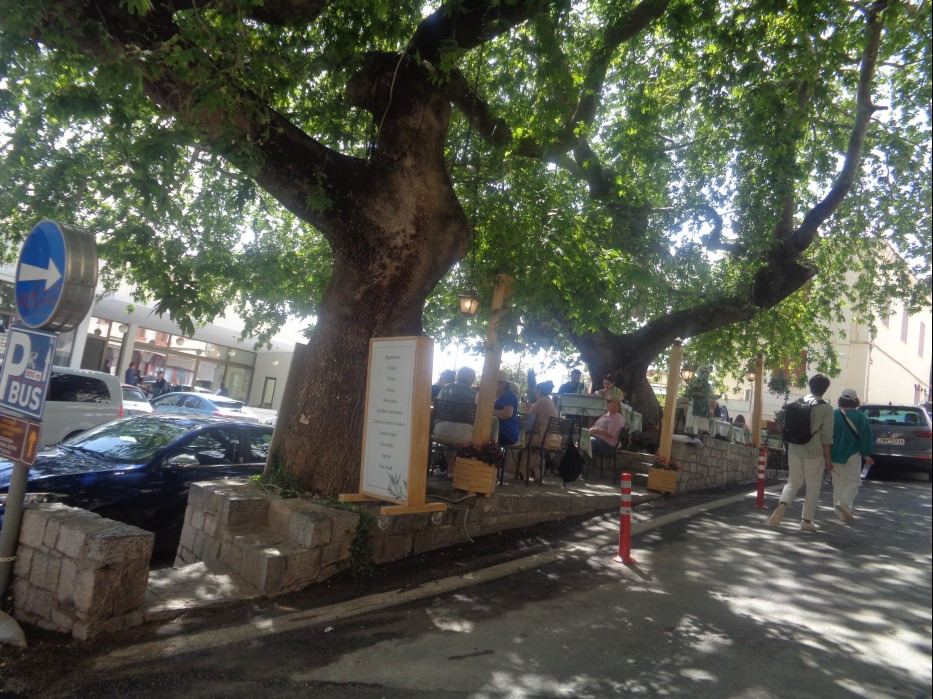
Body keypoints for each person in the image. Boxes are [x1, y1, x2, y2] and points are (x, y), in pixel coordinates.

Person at [769, 374, 834, 532]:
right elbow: (827, 438)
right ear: (825, 389)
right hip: (814, 451)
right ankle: (806, 520)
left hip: (794, 447)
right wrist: (828, 460)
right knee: (813, 485)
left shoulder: (798, 402)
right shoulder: (826, 409)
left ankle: (783, 503)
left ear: (810, 386)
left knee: (793, 481)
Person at [830, 389, 873, 523]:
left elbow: (826, 436)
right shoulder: (860, 417)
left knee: (838, 484)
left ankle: (841, 514)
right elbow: (865, 437)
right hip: (853, 454)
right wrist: (866, 454)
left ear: (841, 399)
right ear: (855, 400)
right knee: (854, 482)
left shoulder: (833, 415)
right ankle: (844, 504)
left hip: (834, 454)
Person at [514, 380, 560, 479]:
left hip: (543, 439)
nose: (535, 393)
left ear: (539, 391)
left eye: (536, 391)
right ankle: (533, 469)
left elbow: (528, 417)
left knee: (518, 441)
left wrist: (526, 409)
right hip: (552, 439)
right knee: (527, 441)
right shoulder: (548, 401)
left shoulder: (542, 401)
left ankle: (522, 469)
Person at [493, 369, 520, 447]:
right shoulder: (496, 396)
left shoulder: (509, 395)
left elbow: (507, 414)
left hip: (507, 433)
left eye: (495, 382)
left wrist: (488, 410)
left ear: (503, 384)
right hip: (497, 430)